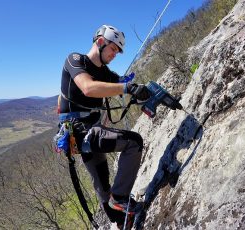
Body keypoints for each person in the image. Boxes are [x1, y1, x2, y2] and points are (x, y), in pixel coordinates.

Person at [58, 24, 150, 228]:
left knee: (101, 181)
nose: (115, 54)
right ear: (100, 42)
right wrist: (126, 87)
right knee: (133, 142)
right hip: (81, 131)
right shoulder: (75, 60)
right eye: (113, 49)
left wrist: (130, 84)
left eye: (117, 51)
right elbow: (88, 88)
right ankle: (120, 199)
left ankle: (119, 220)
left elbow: (117, 82)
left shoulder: (105, 72)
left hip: (89, 130)